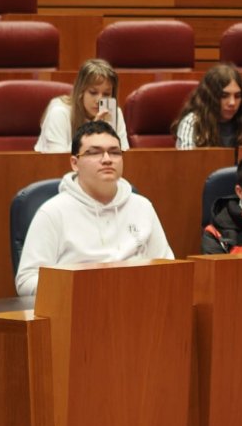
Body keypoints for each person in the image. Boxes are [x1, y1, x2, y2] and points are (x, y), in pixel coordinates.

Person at [16, 121, 173, 296]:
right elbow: (26, 280)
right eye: (94, 152)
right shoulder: (53, 212)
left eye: (114, 152)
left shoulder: (142, 206)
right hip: (77, 308)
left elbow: (167, 266)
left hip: (138, 303)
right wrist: (81, 287)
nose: (107, 159)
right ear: (75, 163)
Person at [34, 58, 129, 153]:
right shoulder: (59, 113)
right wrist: (90, 131)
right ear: (80, 92)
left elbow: (123, 154)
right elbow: (58, 160)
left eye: (106, 94)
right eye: (93, 92)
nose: (99, 100)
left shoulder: (114, 112)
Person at [172, 63, 242, 148]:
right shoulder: (192, 123)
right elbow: (187, 163)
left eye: (237, 96)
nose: (232, 103)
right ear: (210, 97)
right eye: (224, 96)